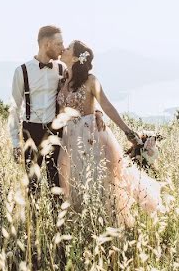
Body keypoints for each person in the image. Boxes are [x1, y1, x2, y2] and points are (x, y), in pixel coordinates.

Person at [55, 40, 164, 228]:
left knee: (100, 182)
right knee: (71, 181)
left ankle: (109, 226)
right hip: (69, 138)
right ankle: (79, 225)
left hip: (90, 136)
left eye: (68, 48)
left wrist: (127, 130)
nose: (63, 49)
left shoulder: (90, 80)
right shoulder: (62, 80)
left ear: (75, 57)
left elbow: (106, 105)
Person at [7, 26, 106, 202]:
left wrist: (97, 110)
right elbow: (14, 108)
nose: (62, 48)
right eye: (59, 43)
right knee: (32, 185)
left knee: (57, 182)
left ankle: (57, 224)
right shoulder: (21, 71)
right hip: (30, 131)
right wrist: (15, 143)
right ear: (47, 44)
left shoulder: (62, 69)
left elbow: (81, 88)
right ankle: (35, 224)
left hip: (56, 132)